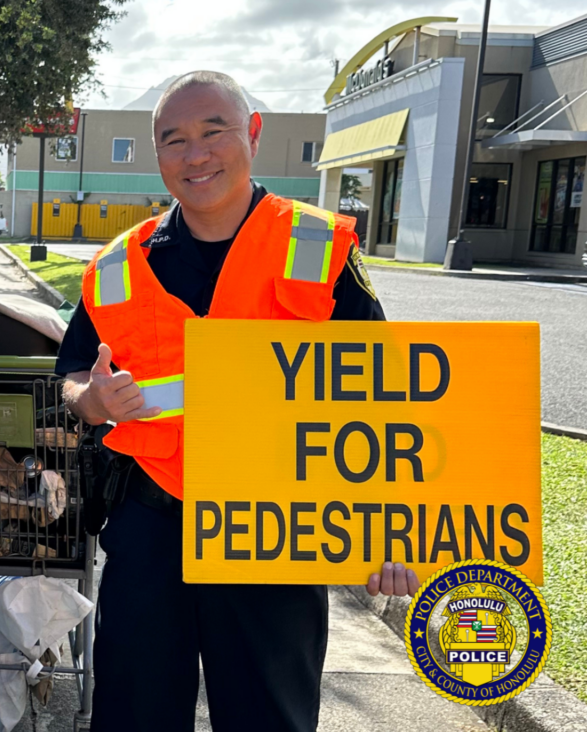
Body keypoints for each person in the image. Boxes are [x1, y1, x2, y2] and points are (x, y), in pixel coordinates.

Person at [58, 72, 418, 732]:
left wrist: (387, 526)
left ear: (252, 134)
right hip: (150, 527)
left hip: (272, 534)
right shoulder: (115, 264)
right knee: (132, 715)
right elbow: (74, 373)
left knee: (267, 717)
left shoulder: (318, 247)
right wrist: (92, 398)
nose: (195, 155)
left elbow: (384, 391)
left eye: (213, 131)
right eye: (175, 140)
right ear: (158, 155)